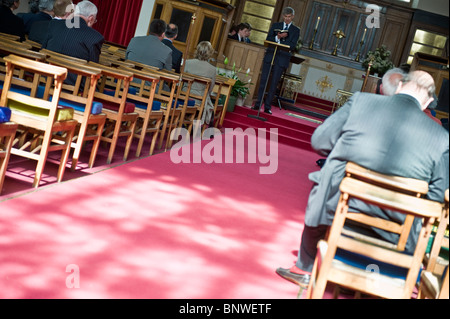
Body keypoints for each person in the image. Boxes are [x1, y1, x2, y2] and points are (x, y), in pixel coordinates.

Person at [276, 70, 449, 289]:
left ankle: (305, 267)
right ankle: (390, 279)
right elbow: (437, 197)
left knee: (328, 176)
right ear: (429, 102)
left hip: (340, 208)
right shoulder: (442, 138)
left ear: (399, 86)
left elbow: (319, 141)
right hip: (398, 227)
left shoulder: (361, 102)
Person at [42, 0, 104, 84]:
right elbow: (92, 70)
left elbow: (43, 50)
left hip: (46, 76)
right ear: (91, 18)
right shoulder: (95, 37)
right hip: (74, 86)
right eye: (94, 20)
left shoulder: (54, 24)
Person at [253, 7, 300, 114]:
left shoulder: (296, 30)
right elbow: (268, 39)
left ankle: (267, 107)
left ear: (292, 16)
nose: (287, 19)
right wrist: (277, 38)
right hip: (270, 57)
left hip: (282, 59)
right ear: (283, 16)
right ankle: (258, 103)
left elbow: (292, 46)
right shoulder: (275, 26)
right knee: (263, 81)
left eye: (289, 17)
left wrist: (283, 40)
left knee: (274, 84)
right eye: (286, 16)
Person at [183, 41, 216, 126]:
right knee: (210, 105)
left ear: (197, 50)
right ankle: (198, 126)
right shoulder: (212, 69)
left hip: (183, 95)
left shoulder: (187, 63)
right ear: (210, 53)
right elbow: (210, 89)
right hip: (199, 99)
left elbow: (181, 80)